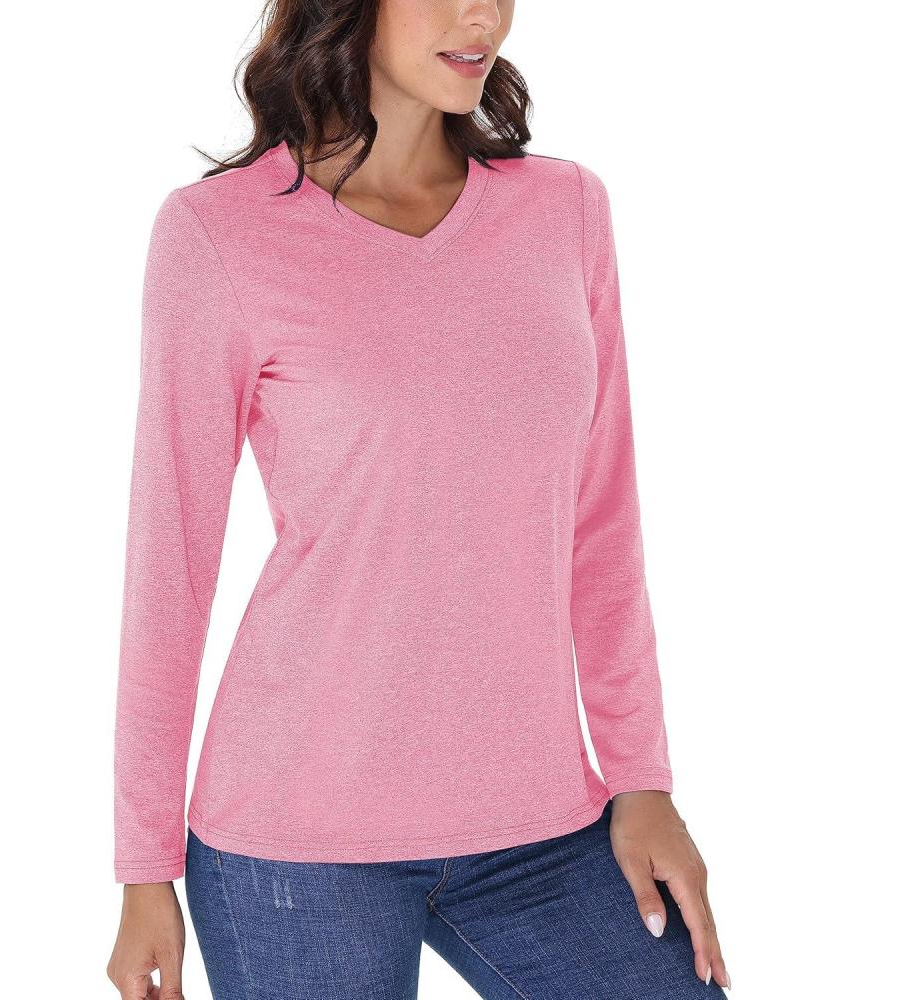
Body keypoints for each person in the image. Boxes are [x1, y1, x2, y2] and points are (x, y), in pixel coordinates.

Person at [107, 1, 732, 997]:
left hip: (545, 826)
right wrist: (145, 868)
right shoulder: (218, 233)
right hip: (295, 841)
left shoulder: (564, 210)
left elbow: (603, 525)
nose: (483, 15)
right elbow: (169, 566)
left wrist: (642, 780)